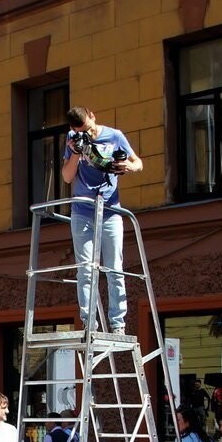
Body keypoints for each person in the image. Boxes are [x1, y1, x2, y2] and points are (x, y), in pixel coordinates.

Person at [62, 106, 143, 335]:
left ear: (92, 116)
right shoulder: (73, 139)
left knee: (114, 269)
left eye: (89, 128)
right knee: (86, 270)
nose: (89, 134)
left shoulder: (115, 136)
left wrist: (128, 166)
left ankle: (118, 323)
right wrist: (76, 153)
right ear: (73, 129)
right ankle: (89, 322)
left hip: (110, 211)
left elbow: (139, 163)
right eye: (82, 131)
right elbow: (67, 177)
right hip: (82, 212)